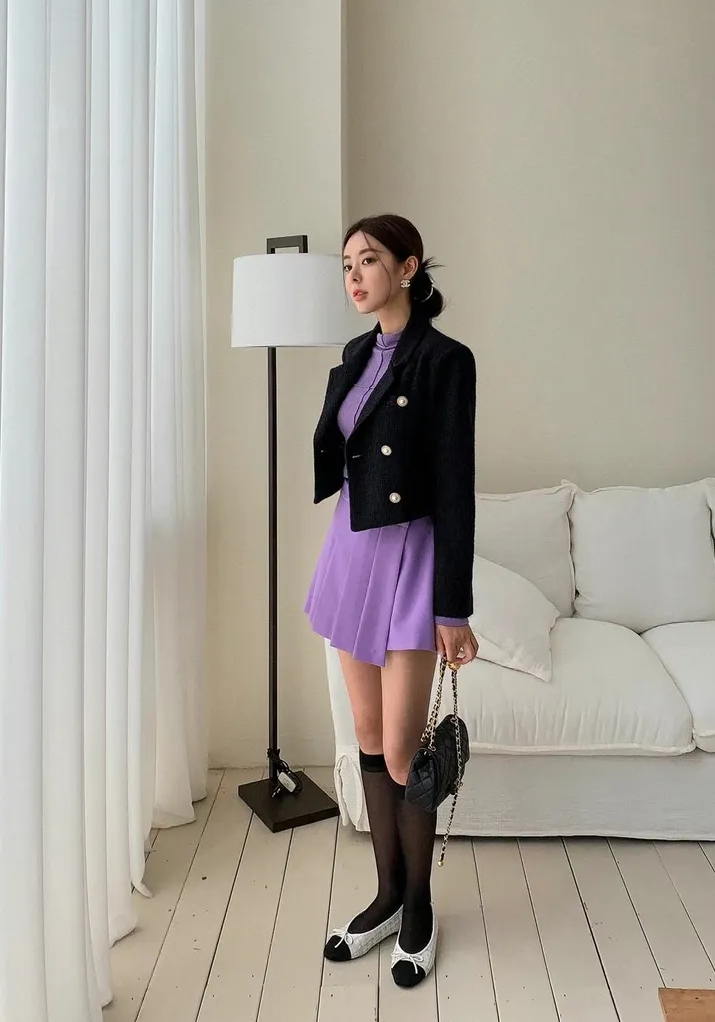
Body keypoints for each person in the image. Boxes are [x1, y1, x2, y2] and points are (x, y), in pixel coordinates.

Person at [305, 214, 478, 989]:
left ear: (408, 267)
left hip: (412, 554)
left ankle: (419, 906)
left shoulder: (446, 360)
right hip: (352, 551)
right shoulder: (354, 354)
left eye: (369, 260)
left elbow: (456, 487)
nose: (354, 275)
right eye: (347, 263)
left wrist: (453, 607)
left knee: (407, 753)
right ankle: (384, 894)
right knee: (370, 736)